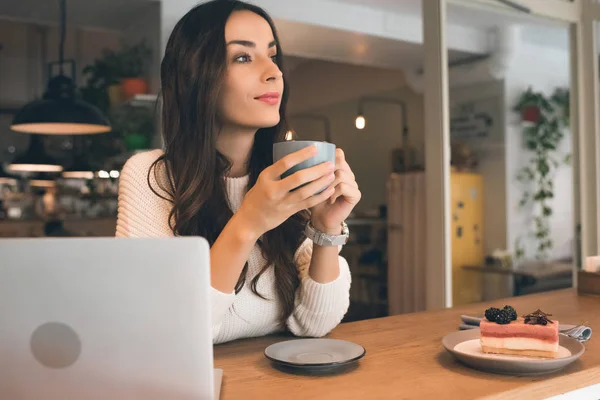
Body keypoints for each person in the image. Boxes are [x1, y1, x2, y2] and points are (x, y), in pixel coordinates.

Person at [116, 0, 361, 344]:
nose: (274, 72)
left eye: (272, 55)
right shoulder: (150, 176)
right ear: (195, 77)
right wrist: (249, 222)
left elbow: (315, 324)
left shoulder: (283, 178)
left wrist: (326, 228)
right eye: (243, 57)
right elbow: (164, 333)